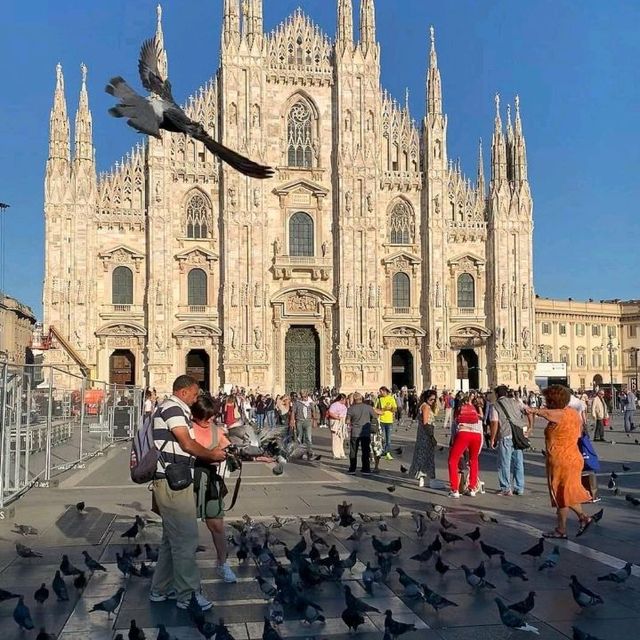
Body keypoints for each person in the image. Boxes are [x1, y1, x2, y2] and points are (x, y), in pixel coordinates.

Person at [150, 375, 227, 612]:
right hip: (173, 481)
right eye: (194, 394)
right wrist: (211, 455)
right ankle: (188, 595)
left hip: (171, 479)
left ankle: (160, 589)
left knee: (170, 540)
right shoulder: (173, 408)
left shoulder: (172, 408)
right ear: (183, 392)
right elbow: (186, 443)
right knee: (186, 539)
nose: (196, 399)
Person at [528, 385, 598, 539]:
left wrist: (531, 410)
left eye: (548, 399)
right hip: (574, 457)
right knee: (567, 493)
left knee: (560, 494)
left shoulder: (559, 414)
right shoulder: (573, 414)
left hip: (561, 460)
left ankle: (564, 528)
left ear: (553, 401)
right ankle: (581, 519)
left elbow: (545, 413)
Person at [191, 395, 237, 583]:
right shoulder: (185, 429)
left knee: (217, 525)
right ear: (196, 414)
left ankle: (222, 564)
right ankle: (181, 568)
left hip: (210, 482)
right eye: (206, 416)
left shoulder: (215, 431)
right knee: (185, 528)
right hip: (189, 482)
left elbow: (231, 448)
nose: (210, 420)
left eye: (212, 416)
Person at [491, 385, 528, 496]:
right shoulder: (516, 402)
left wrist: (493, 438)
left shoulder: (496, 405)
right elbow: (528, 411)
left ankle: (506, 488)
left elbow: (494, 422)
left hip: (506, 435)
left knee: (504, 463)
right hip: (518, 436)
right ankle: (519, 487)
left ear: (497, 394)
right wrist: (530, 426)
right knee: (518, 462)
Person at [447, 393, 483, 498]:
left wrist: (453, 446)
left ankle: (455, 490)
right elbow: (481, 430)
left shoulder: (459, 411)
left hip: (463, 434)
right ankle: (472, 488)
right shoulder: (476, 413)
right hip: (477, 436)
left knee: (452, 460)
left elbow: (454, 432)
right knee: (474, 460)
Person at [408, 390, 439, 488]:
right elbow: (426, 422)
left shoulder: (424, 405)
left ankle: (422, 478)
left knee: (422, 456)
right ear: (426, 398)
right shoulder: (425, 407)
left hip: (422, 435)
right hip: (426, 435)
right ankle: (429, 479)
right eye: (431, 399)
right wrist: (431, 437)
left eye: (434, 399)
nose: (433, 401)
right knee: (427, 457)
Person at [346, 392, 382, 474]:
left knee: (353, 451)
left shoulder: (351, 409)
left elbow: (347, 421)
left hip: (355, 432)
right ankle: (366, 469)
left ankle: (352, 469)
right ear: (361, 398)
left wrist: (351, 421)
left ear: (354, 400)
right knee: (365, 451)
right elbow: (375, 416)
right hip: (365, 432)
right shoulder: (368, 407)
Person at [291, 390, 317, 459]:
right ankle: (299, 451)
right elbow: (293, 412)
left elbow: (313, 411)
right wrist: (292, 420)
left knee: (308, 437)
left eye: (305, 396)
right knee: (299, 436)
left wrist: (314, 421)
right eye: (302, 396)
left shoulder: (310, 403)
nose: (304, 397)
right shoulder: (297, 402)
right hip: (299, 421)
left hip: (308, 421)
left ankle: (310, 451)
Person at [376, 387, 397, 459]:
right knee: (383, 438)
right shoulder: (379, 399)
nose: (380, 393)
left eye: (381, 391)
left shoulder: (391, 398)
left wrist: (390, 408)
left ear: (385, 391)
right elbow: (375, 408)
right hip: (381, 420)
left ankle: (387, 452)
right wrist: (383, 409)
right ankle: (383, 451)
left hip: (389, 420)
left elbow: (395, 408)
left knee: (389, 439)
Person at [327, 393, 348, 459]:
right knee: (335, 438)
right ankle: (336, 454)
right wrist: (337, 417)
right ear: (342, 399)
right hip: (336, 421)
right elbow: (330, 412)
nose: (345, 401)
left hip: (342, 422)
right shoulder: (334, 405)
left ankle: (341, 453)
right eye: (345, 399)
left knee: (341, 438)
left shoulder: (344, 406)